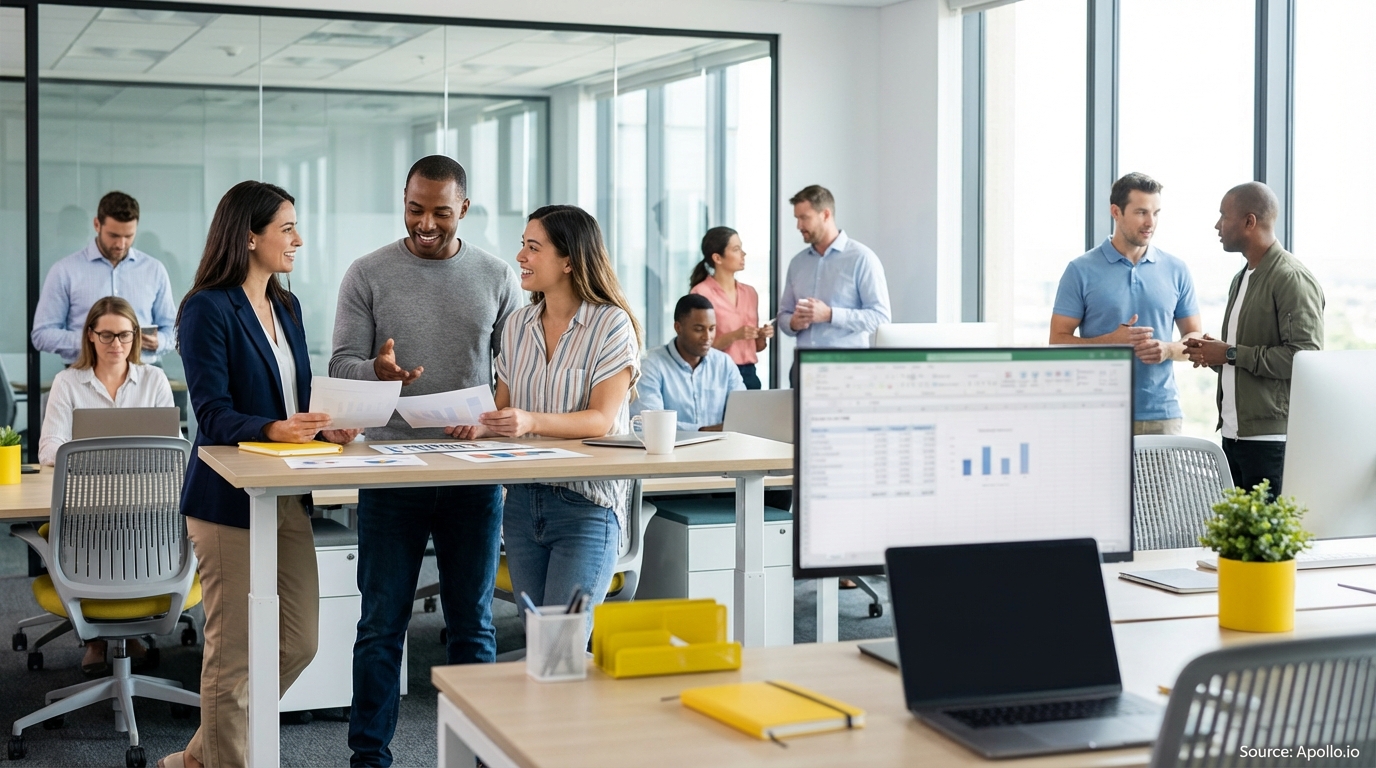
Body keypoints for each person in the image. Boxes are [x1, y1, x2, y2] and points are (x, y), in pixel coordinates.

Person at [329, 155, 522, 768]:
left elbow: (516, 372)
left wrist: (493, 414)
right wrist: (376, 372)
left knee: (474, 623)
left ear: (464, 209)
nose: (426, 223)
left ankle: (474, 753)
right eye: (416, 209)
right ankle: (369, 758)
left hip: (471, 472)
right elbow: (340, 364)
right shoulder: (367, 273)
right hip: (392, 470)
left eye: (441, 211)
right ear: (404, 201)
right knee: (381, 622)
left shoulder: (495, 277)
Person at [162, 181, 358, 768]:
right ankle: (220, 760)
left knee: (299, 640)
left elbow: (293, 396)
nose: (298, 240)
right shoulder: (207, 307)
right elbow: (213, 413)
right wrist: (275, 429)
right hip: (226, 501)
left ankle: (197, 756)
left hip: (286, 495)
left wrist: (326, 426)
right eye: (287, 228)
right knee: (234, 654)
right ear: (250, 236)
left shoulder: (288, 305)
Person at [449, 205, 640, 640]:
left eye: (533, 248)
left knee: (562, 642)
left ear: (569, 260)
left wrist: (527, 420)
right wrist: (480, 425)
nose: (520, 257)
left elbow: (601, 420)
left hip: (585, 504)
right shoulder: (517, 325)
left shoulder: (610, 325)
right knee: (538, 640)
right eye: (522, 246)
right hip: (521, 502)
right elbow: (504, 410)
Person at [39, 295, 174, 676]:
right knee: (96, 537)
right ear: (90, 336)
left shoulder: (154, 379)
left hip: (145, 504)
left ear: (136, 336)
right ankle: (99, 639)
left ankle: (129, 628)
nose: (117, 344)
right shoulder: (68, 382)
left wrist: (93, 453)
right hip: (85, 504)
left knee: (135, 536)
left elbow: (174, 447)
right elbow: (49, 447)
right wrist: (113, 457)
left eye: (126, 335)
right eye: (107, 335)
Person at [1185, 182, 1324, 496]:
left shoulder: (1290, 277)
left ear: (1249, 221)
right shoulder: (1243, 276)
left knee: (1263, 543)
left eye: (1224, 216)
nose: (1217, 225)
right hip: (1234, 436)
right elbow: (1244, 357)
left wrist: (1230, 353)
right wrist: (1213, 354)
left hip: (1269, 443)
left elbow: (1304, 358)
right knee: (1238, 540)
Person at [1050, 172, 1204, 435]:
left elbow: (1196, 337)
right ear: (1116, 212)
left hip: (1162, 414)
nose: (1150, 222)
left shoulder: (1176, 270)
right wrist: (1112, 341)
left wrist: (1167, 349)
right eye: (1141, 212)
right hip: (1099, 413)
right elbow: (1058, 342)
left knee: (1161, 480)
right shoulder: (1080, 270)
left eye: (1156, 213)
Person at [32, 191, 178, 365]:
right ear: (96, 224)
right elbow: (42, 334)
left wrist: (158, 342)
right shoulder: (65, 271)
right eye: (114, 235)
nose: (121, 244)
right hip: (84, 375)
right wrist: (95, 340)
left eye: (128, 236)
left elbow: (173, 332)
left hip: (144, 374)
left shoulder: (154, 270)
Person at [778, 185, 891, 370]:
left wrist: (830, 315)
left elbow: (880, 318)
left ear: (826, 214)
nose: (799, 226)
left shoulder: (862, 258)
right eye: (797, 218)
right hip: (803, 368)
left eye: (804, 218)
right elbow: (783, 315)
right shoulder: (797, 263)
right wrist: (792, 323)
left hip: (848, 369)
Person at [634, 294, 745, 431]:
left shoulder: (724, 363)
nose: (707, 337)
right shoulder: (651, 364)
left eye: (712, 329)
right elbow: (647, 424)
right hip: (671, 451)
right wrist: (703, 431)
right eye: (699, 329)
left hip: (720, 448)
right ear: (678, 327)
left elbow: (742, 416)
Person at [689, 227, 773, 389]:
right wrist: (735, 335)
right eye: (736, 249)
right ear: (717, 258)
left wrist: (762, 335)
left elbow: (757, 347)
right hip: (716, 374)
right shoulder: (700, 293)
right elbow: (697, 347)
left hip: (749, 374)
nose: (743, 254)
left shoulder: (750, 293)